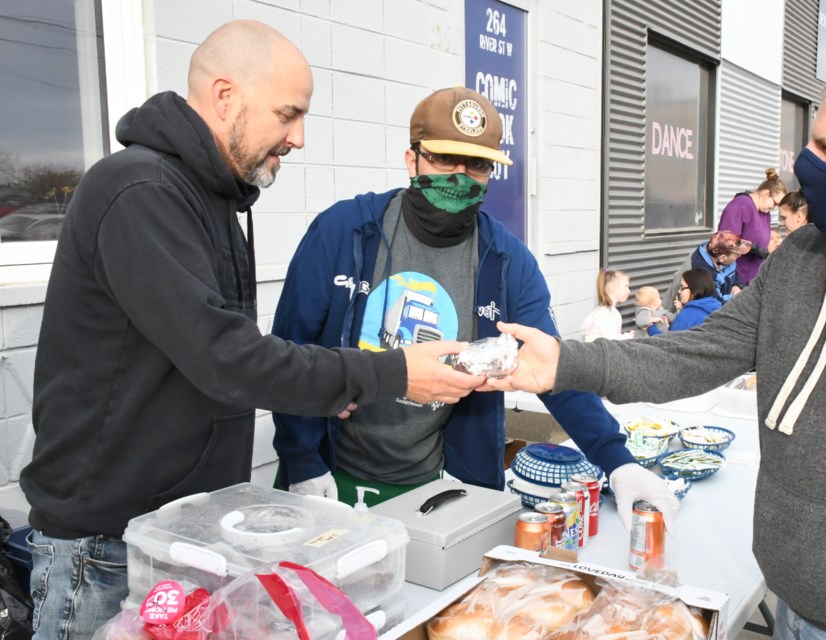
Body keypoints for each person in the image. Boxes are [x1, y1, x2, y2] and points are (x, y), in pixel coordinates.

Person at [19, 21, 484, 639]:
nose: (297, 137)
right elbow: (226, 357)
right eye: (288, 114)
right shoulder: (140, 191)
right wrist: (392, 372)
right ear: (224, 95)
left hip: (184, 536)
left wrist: (327, 390)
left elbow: (221, 363)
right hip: (110, 548)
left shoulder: (210, 200)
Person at [484, 52, 826, 638]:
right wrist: (566, 361)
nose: (802, 168)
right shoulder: (803, 260)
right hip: (793, 596)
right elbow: (693, 355)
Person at [270, 87, 678, 531]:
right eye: (445, 159)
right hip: (329, 475)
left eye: (478, 165)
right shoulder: (344, 231)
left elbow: (553, 367)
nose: (460, 177)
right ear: (413, 161)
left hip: (439, 489)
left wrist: (616, 460)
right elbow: (289, 351)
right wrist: (302, 460)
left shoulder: (506, 261)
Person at [717, 168, 787, 285]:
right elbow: (725, 241)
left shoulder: (765, 214)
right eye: (775, 203)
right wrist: (752, 248)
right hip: (736, 279)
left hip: (755, 279)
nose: (774, 208)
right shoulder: (741, 205)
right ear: (766, 193)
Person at [665, 230, 750, 305]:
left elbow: (735, 276)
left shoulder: (722, 257)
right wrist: (738, 298)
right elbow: (715, 302)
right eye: (736, 254)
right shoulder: (700, 273)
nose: (739, 256)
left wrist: (738, 286)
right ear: (722, 258)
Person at [582, 268, 635, 342]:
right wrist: (627, 336)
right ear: (612, 288)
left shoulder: (610, 311)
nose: (629, 291)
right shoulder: (606, 315)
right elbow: (611, 342)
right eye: (625, 286)